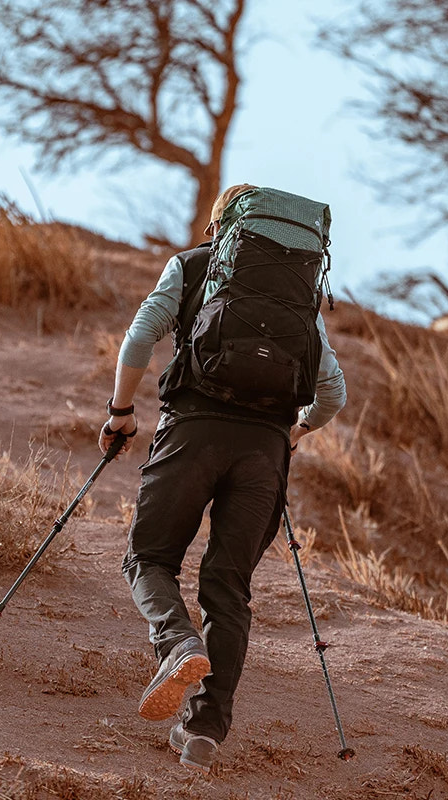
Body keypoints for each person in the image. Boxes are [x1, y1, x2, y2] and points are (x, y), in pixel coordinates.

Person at [98, 184, 347, 774]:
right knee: (228, 590)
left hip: (192, 433)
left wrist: (120, 413)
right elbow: (333, 392)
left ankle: (177, 642)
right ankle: (204, 732)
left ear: (222, 226)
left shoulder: (191, 268)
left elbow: (139, 336)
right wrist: (295, 431)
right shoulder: (297, 301)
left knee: (150, 558)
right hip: (264, 454)